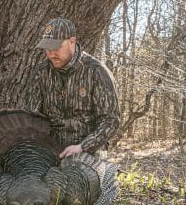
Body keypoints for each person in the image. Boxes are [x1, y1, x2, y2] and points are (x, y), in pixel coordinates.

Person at [27, 17, 120, 158]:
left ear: (72, 42)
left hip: (88, 150)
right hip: (51, 149)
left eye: (56, 47)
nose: (51, 54)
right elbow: (32, 117)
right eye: (47, 48)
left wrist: (83, 147)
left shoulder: (97, 72)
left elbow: (111, 120)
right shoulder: (41, 73)